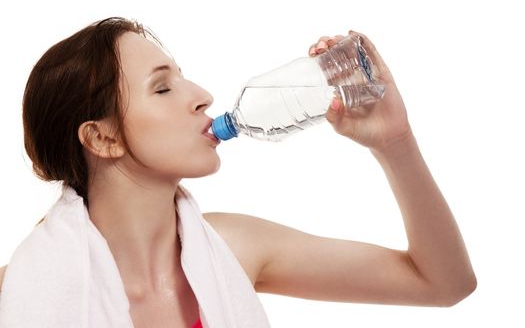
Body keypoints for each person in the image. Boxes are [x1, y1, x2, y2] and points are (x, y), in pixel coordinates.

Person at [0, 18, 476, 327]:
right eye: (162, 88)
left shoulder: (235, 248)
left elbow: (444, 283)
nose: (202, 94)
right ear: (102, 138)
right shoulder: (17, 293)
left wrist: (395, 143)